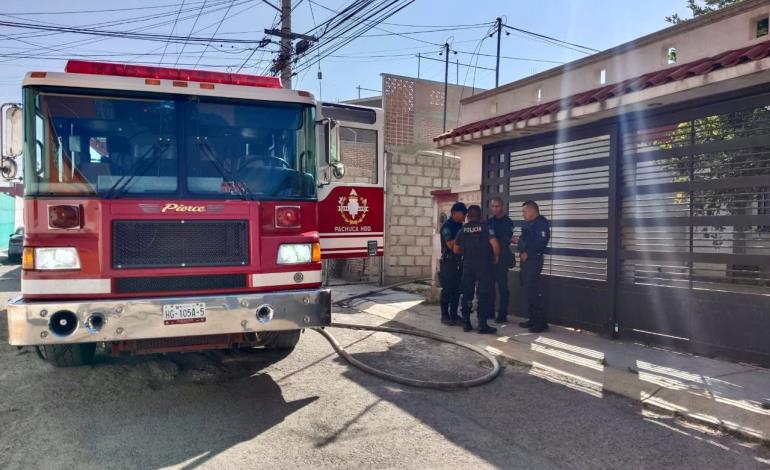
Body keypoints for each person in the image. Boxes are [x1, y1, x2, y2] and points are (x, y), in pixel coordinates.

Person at [453, 205, 500, 334]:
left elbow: (455, 249)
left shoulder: (463, 230)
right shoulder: (486, 228)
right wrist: (495, 256)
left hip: (468, 266)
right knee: (482, 295)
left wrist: (467, 250)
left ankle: (466, 323)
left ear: (468, 216)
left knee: (467, 294)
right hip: (483, 266)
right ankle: (482, 324)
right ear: (480, 215)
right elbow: (495, 244)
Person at [516, 200, 551, 333]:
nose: (523, 214)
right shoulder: (532, 225)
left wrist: (528, 253)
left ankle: (541, 322)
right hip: (527, 262)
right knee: (528, 291)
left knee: (533, 291)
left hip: (534, 261)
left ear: (532, 210)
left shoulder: (541, 224)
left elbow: (541, 242)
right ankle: (533, 319)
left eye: (524, 211)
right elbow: (528, 241)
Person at [487, 196, 515, 323]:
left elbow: (506, 239)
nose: (494, 208)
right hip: (490, 258)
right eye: (492, 206)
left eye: (497, 206)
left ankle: (502, 315)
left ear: (502, 206)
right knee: (490, 287)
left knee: (502, 287)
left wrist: (497, 253)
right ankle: (490, 312)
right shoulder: (489, 221)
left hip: (502, 257)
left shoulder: (507, 222)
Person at [438, 202, 467, 325]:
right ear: (454, 213)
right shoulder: (447, 226)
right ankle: (445, 315)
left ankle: (454, 315)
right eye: (463, 213)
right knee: (448, 289)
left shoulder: (460, 225)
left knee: (457, 289)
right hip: (448, 261)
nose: (465, 216)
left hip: (459, 261)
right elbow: (450, 244)